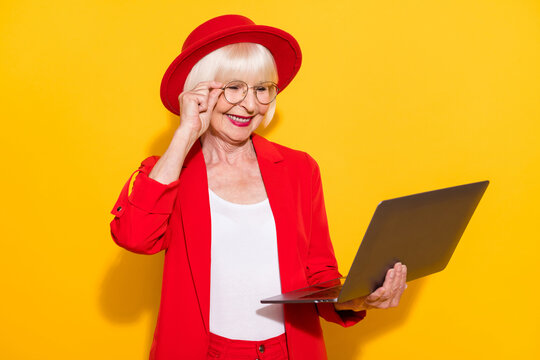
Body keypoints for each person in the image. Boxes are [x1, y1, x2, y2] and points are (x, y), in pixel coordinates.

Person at [110, 14, 407, 360]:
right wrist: (184, 134)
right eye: (234, 87)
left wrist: (356, 298)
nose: (250, 105)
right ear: (200, 91)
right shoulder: (168, 172)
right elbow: (134, 236)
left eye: (262, 89)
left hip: (290, 350)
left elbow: (319, 273)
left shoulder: (299, 169)